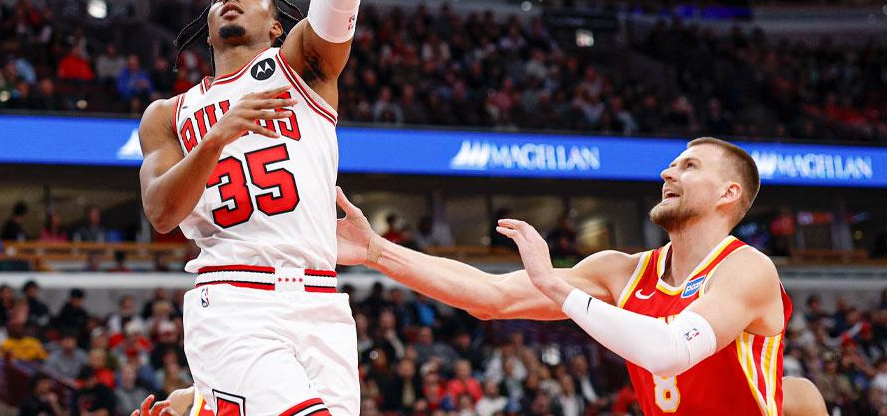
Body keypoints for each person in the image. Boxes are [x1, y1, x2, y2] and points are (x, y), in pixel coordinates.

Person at [136, 0, 389, 416]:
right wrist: (219, 135)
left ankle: (208, 404)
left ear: (276, 25)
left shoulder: (303, 66)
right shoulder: (171, 112)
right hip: (234, 295)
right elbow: (162, 212)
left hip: (320, 298)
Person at [335, 137, 818, 416]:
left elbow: (669, 351)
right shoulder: (621, 270)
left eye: (688, 166)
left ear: (727, 193)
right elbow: (490, 297)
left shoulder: (746, 267)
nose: (667, 173)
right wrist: (377, 252)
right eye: (670, 164)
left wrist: (559, 289)